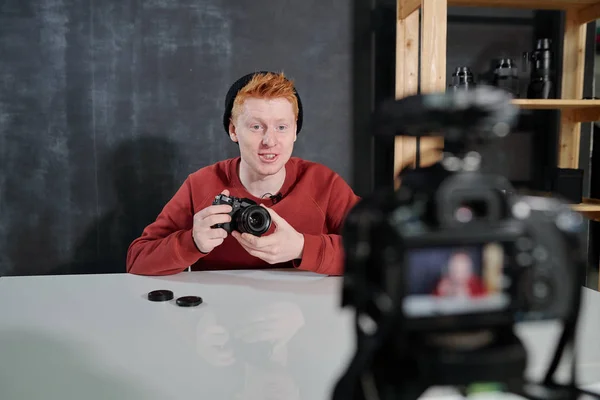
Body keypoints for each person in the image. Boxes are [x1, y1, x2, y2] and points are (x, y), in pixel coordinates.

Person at [126, 71, 360, 276]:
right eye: (256, 127)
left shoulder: (323, 183)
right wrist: (192, 242)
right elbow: (137, 259)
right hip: (222, 319)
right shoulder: (201, 185)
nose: (270, 141)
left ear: (295, 131)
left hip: (303, 318)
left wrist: (302, 247)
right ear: (233, 130)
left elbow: (379, 250)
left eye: (281, 127)